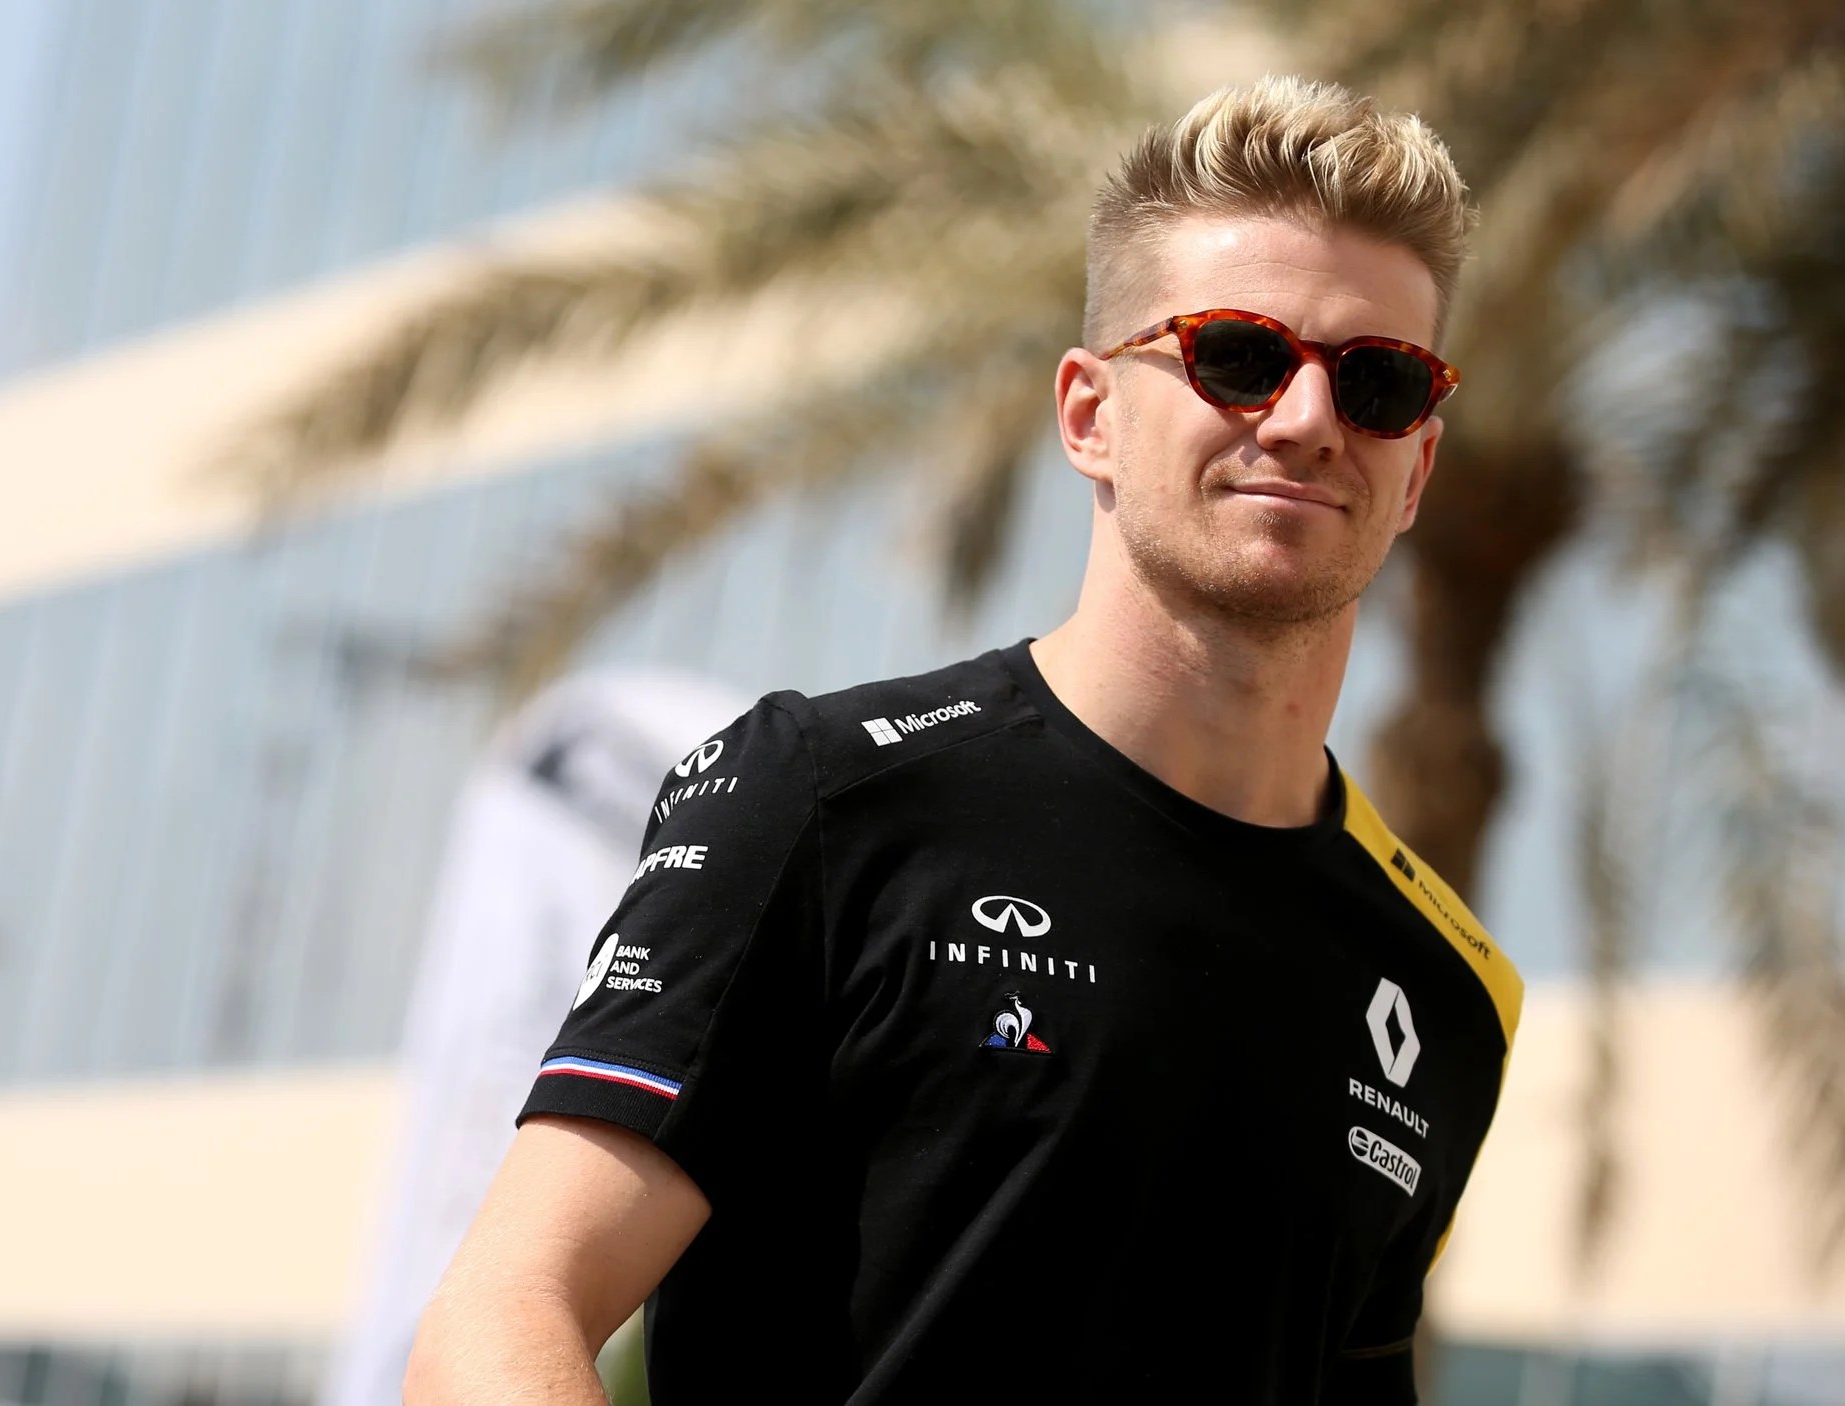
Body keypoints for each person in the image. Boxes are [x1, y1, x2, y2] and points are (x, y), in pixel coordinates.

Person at [404, 76, 1524, 1405]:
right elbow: (501, 1316)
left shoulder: (1449, 994)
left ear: (1421, 472)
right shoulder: (824, 797)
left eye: (1379, 380)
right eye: (1239, 354)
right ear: (1090, 413)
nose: (1303, 417)